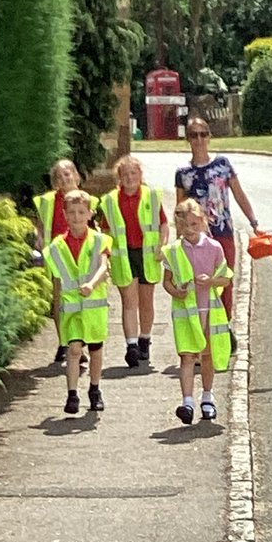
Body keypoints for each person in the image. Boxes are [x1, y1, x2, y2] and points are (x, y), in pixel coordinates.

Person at [174, 117, 260, 338]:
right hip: (196, 237)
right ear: (188, 140)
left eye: (203, 134)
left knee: (225, 279)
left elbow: (238, 193)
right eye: (194, 135)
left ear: (209, 137)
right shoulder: (183, 173)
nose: (199, 139)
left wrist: (253, 221)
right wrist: (178, 240)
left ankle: (225, 326)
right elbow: (180, 208)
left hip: (223, 231)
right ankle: (203, 329)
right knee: (200, 282)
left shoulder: (222, 164)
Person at [161, 199, 233, 425]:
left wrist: (211, 281)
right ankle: (187, 402)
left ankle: (208, 397)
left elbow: (226, 277)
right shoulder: (172, 251)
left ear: (202, 222)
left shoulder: (213, 247)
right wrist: (176, 292)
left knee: (207, 355)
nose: (190, 230)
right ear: (178, 227)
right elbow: (167, 282)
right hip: (185, 314)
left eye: (194, 224)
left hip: (209, 310)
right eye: (185, 226)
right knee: (187, 356)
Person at [43, 189, 111, 414]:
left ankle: (95, 389)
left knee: (95, 351)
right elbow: (56, 278)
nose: (76, 217)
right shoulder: (57, 246)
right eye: (71, 212)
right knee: (73, 350)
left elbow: (104, 266)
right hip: (71, 308)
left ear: (90, 214)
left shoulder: (99, 240)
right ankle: (72, 395)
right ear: (64, 214)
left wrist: (92, 284)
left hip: (94, 307)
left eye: (81, 212)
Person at [99, 155, 169, 367]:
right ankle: (131, 346)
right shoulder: (110, 200)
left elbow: (163, 225)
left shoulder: (151, 196)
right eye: (125, 174)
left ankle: (144, 339)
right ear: (119, 177)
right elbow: (105, 229)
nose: (129, 178)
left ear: (140, 175)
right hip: (124, 255)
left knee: (146, 302)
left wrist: (162, 246)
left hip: (147, 255)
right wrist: (106, 253)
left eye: (133, 173)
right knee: (129, 302)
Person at [33, 159, 98, 364]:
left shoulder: (91, 201)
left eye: (67, 174)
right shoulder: (47, 201)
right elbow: (42, 227)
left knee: (82, 300)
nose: (64, 179)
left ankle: (80, 342)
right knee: (60, 300)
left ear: (77, 176)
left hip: (83, 253)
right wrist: (41, 244)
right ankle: (64, 342)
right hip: (59, 255)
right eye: (59, 176)